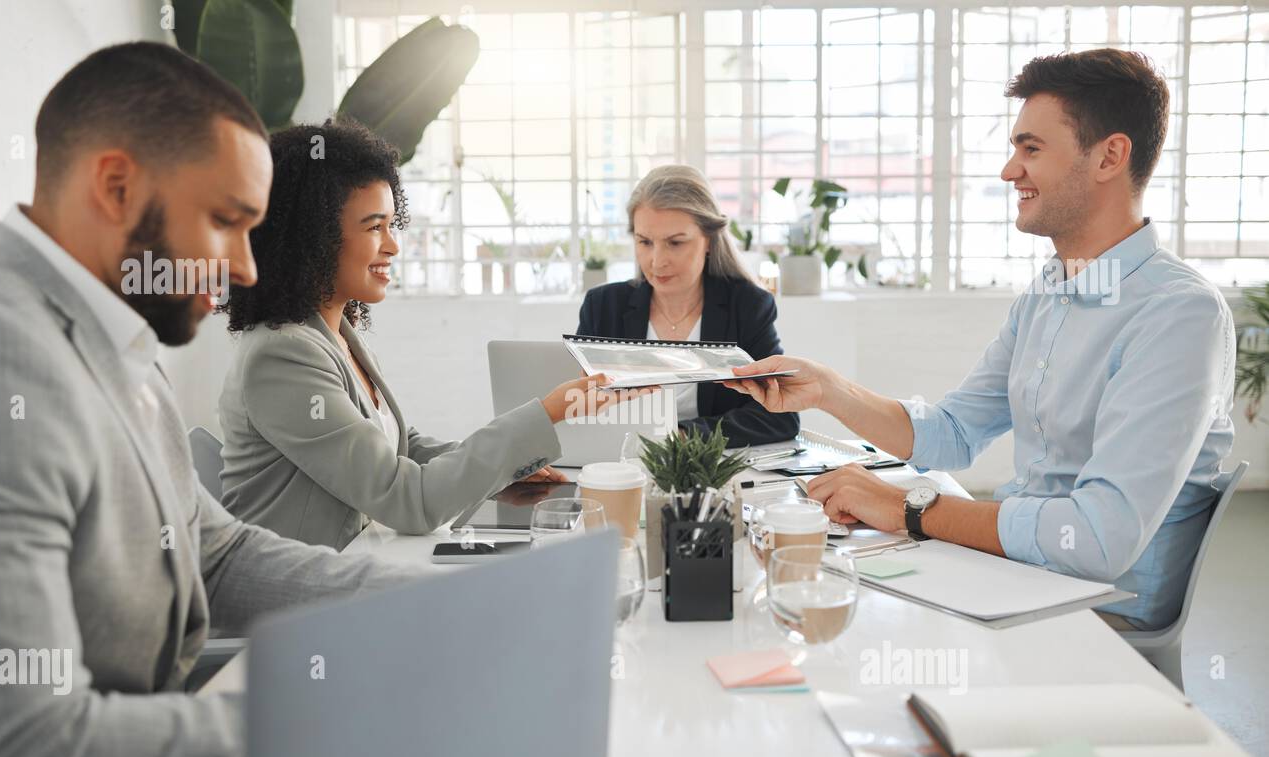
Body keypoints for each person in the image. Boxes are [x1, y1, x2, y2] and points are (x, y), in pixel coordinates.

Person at [0, 44, 446, 757]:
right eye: (226, 221)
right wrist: (342, 721)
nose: (247, 269)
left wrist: (438, 601)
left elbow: (214, 552)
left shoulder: (115, 338)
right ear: (116, 186)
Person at [726, 49, 1235, 632]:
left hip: (1088, 618)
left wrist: (907, 508)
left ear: (1110, 156)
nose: (1009, 170)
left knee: (843, 628)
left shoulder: (1178, 315)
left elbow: (1097, 538)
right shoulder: (1051, 291)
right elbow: (954, 434)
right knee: (803, 592)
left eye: (1031, 148)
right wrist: (828, 390)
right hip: (1018, 579)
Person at [217, 120, 631, 549]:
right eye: (374, 227)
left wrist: (498, 474)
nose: (393, 245)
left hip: (353, 567)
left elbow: (400, 448)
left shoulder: (333, 332)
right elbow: (407, 501)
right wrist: (548, 412)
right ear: (313, 238)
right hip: (301, 600)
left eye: (392, 224)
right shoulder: (282, 356)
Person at [577, 164, 800, 448]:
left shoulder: (747, 306)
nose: (657, 261)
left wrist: (680, 437)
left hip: (709, 474)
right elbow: (577, 408)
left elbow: (780, 416)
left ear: (708, 240)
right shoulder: (603, 306)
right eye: (645, 242)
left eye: (675, 243)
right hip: (621, 469)